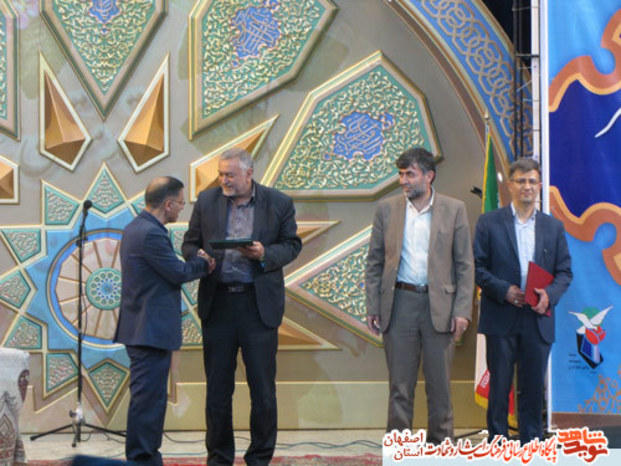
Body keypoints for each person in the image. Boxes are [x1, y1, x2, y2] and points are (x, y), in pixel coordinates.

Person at [182, 147, 302, 465]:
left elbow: (292, 245)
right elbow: (189, 243)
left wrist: (264, 254)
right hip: (218, 304)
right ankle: (219, 457)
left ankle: (259, 458)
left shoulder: (279, 202)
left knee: (262, 390)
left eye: (230, 175)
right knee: (218, 390)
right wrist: (199, 256)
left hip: (257, 307)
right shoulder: (207, 201)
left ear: (249, 174)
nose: (224, 180)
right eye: (221, 174)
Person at [365, 147, 474, 443]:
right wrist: (373, 306)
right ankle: (399, 451)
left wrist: (462, 311)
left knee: (440, 388)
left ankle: (441, 450)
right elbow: (374, 262)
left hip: (441, 307)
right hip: (399, 304)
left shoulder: (454, 209)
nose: (403, 181)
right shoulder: (386, 210)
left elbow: (465, 265)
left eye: (410, 174)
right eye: (401, 174)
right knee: (400, 387)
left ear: (429, 176)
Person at [115, 176, 214, 466]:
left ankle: (145, 457)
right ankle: (143, 459)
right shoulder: (149, 233)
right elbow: (178, 273)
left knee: (149, 400)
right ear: (168, 204)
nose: (182, 208)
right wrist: (204, 262)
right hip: (148, 331)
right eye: (181, 203)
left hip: (146, 330)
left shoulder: (139, 227)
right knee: (148, 402)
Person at [474, 158, 572, 444]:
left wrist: (549, 295)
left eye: (532, 181)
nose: (527, 186)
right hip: (500, 314)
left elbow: (565, 272)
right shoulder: (489, 222)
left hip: (538, 317)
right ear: (510, 185)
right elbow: (477, 267)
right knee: (499, 387)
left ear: (539, 186)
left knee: (532, 388)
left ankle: (532, 444)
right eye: (521, 181)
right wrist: (503, 290)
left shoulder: (553, 227)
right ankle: (498, 444)